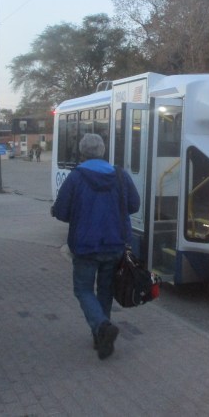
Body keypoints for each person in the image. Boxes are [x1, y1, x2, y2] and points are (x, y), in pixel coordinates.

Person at [51, 133, 140, 360]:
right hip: (115, 243)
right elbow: (134, 205)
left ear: (82, 153)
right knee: (105, 290)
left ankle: (101, 326)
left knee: (82, 289)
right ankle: (101, 337)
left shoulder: (76, 177)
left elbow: (61, 212)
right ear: (103, 151)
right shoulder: (120, 175)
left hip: (85, 245)